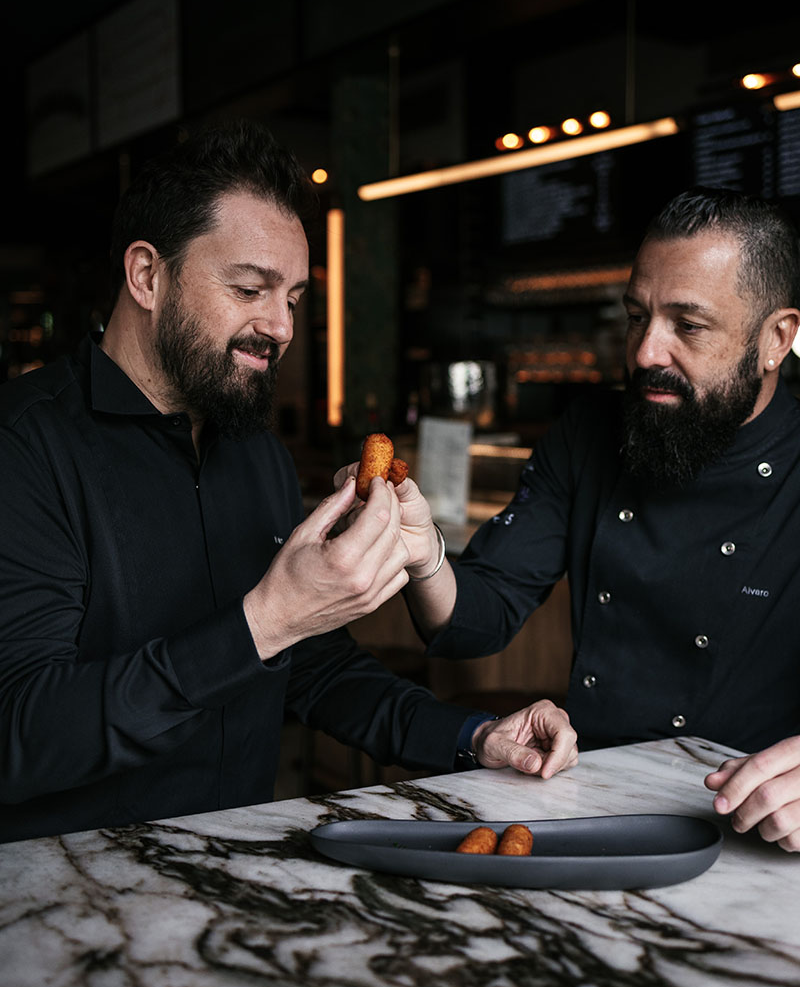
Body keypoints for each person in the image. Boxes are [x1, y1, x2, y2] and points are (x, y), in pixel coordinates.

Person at [0, 119, 577, 844]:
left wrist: (474, 736)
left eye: (296, 299)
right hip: (72, 891)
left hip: (237, 866)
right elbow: (18, 734)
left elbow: (311, 668)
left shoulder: (254, 449)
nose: (280, 327)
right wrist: (263, 621)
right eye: (250, 289)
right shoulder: (25, 448)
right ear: (147, 276)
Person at [341, 187, 800, 853]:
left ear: (776, 338)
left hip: (753, 833)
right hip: (586, 800)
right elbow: (481, 614)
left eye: (688, 326)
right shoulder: (589, 433)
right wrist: (424, 555)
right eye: (636, 317)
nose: (646, 352)